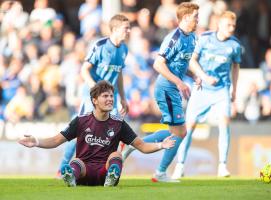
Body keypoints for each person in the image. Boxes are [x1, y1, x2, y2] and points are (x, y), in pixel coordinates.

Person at [19, 81, 175, 187]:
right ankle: (71, 176)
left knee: (117, 154)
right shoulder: (80, 121)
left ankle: (110, 178)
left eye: (111, 96)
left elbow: (142, 146)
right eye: (105, 96)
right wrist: (36, 142)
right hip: (84, 171)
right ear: (94, 100)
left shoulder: (118, 123)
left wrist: (161, 145)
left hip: (105, 171)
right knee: (76, 161)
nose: (110, 99)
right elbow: (56, 140)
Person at [122, 2, 199, 182]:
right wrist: (180, 82)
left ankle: (135, 145)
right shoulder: (175, 37)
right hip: (166, 88)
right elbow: (158, 64)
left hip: (172, 88)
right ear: (186, 18)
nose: (198, 20)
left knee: (178, 131)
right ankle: (159, 172)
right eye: (196, 17)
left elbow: (180, 64)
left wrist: (193, 76)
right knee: (180, 133)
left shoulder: (192, 38)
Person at [56, 14, 130, 177]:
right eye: (126, 28)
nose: (129, 31)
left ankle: (105, 169)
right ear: (116, 29)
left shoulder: (124, 48)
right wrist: (95, 90)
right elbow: (84, 69)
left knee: (114, 132)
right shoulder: (100, 45)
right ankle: (62, 167)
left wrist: (123, 98)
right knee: (80, 130)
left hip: (112, 98)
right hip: (93, 98)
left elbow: (119, 74)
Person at [172, 11, 241, 179]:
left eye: (233, 26)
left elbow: (236, 68)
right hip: (202, 89)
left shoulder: (235, 45)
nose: (231, 29)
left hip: (221, 90)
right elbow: (192, 61)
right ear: (219, 24)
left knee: (225, 122)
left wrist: (234, 90)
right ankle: (180, 165)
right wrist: (204, 77)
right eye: (228, 25)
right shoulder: (204, 38)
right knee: (189, 128)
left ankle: (222, 166)